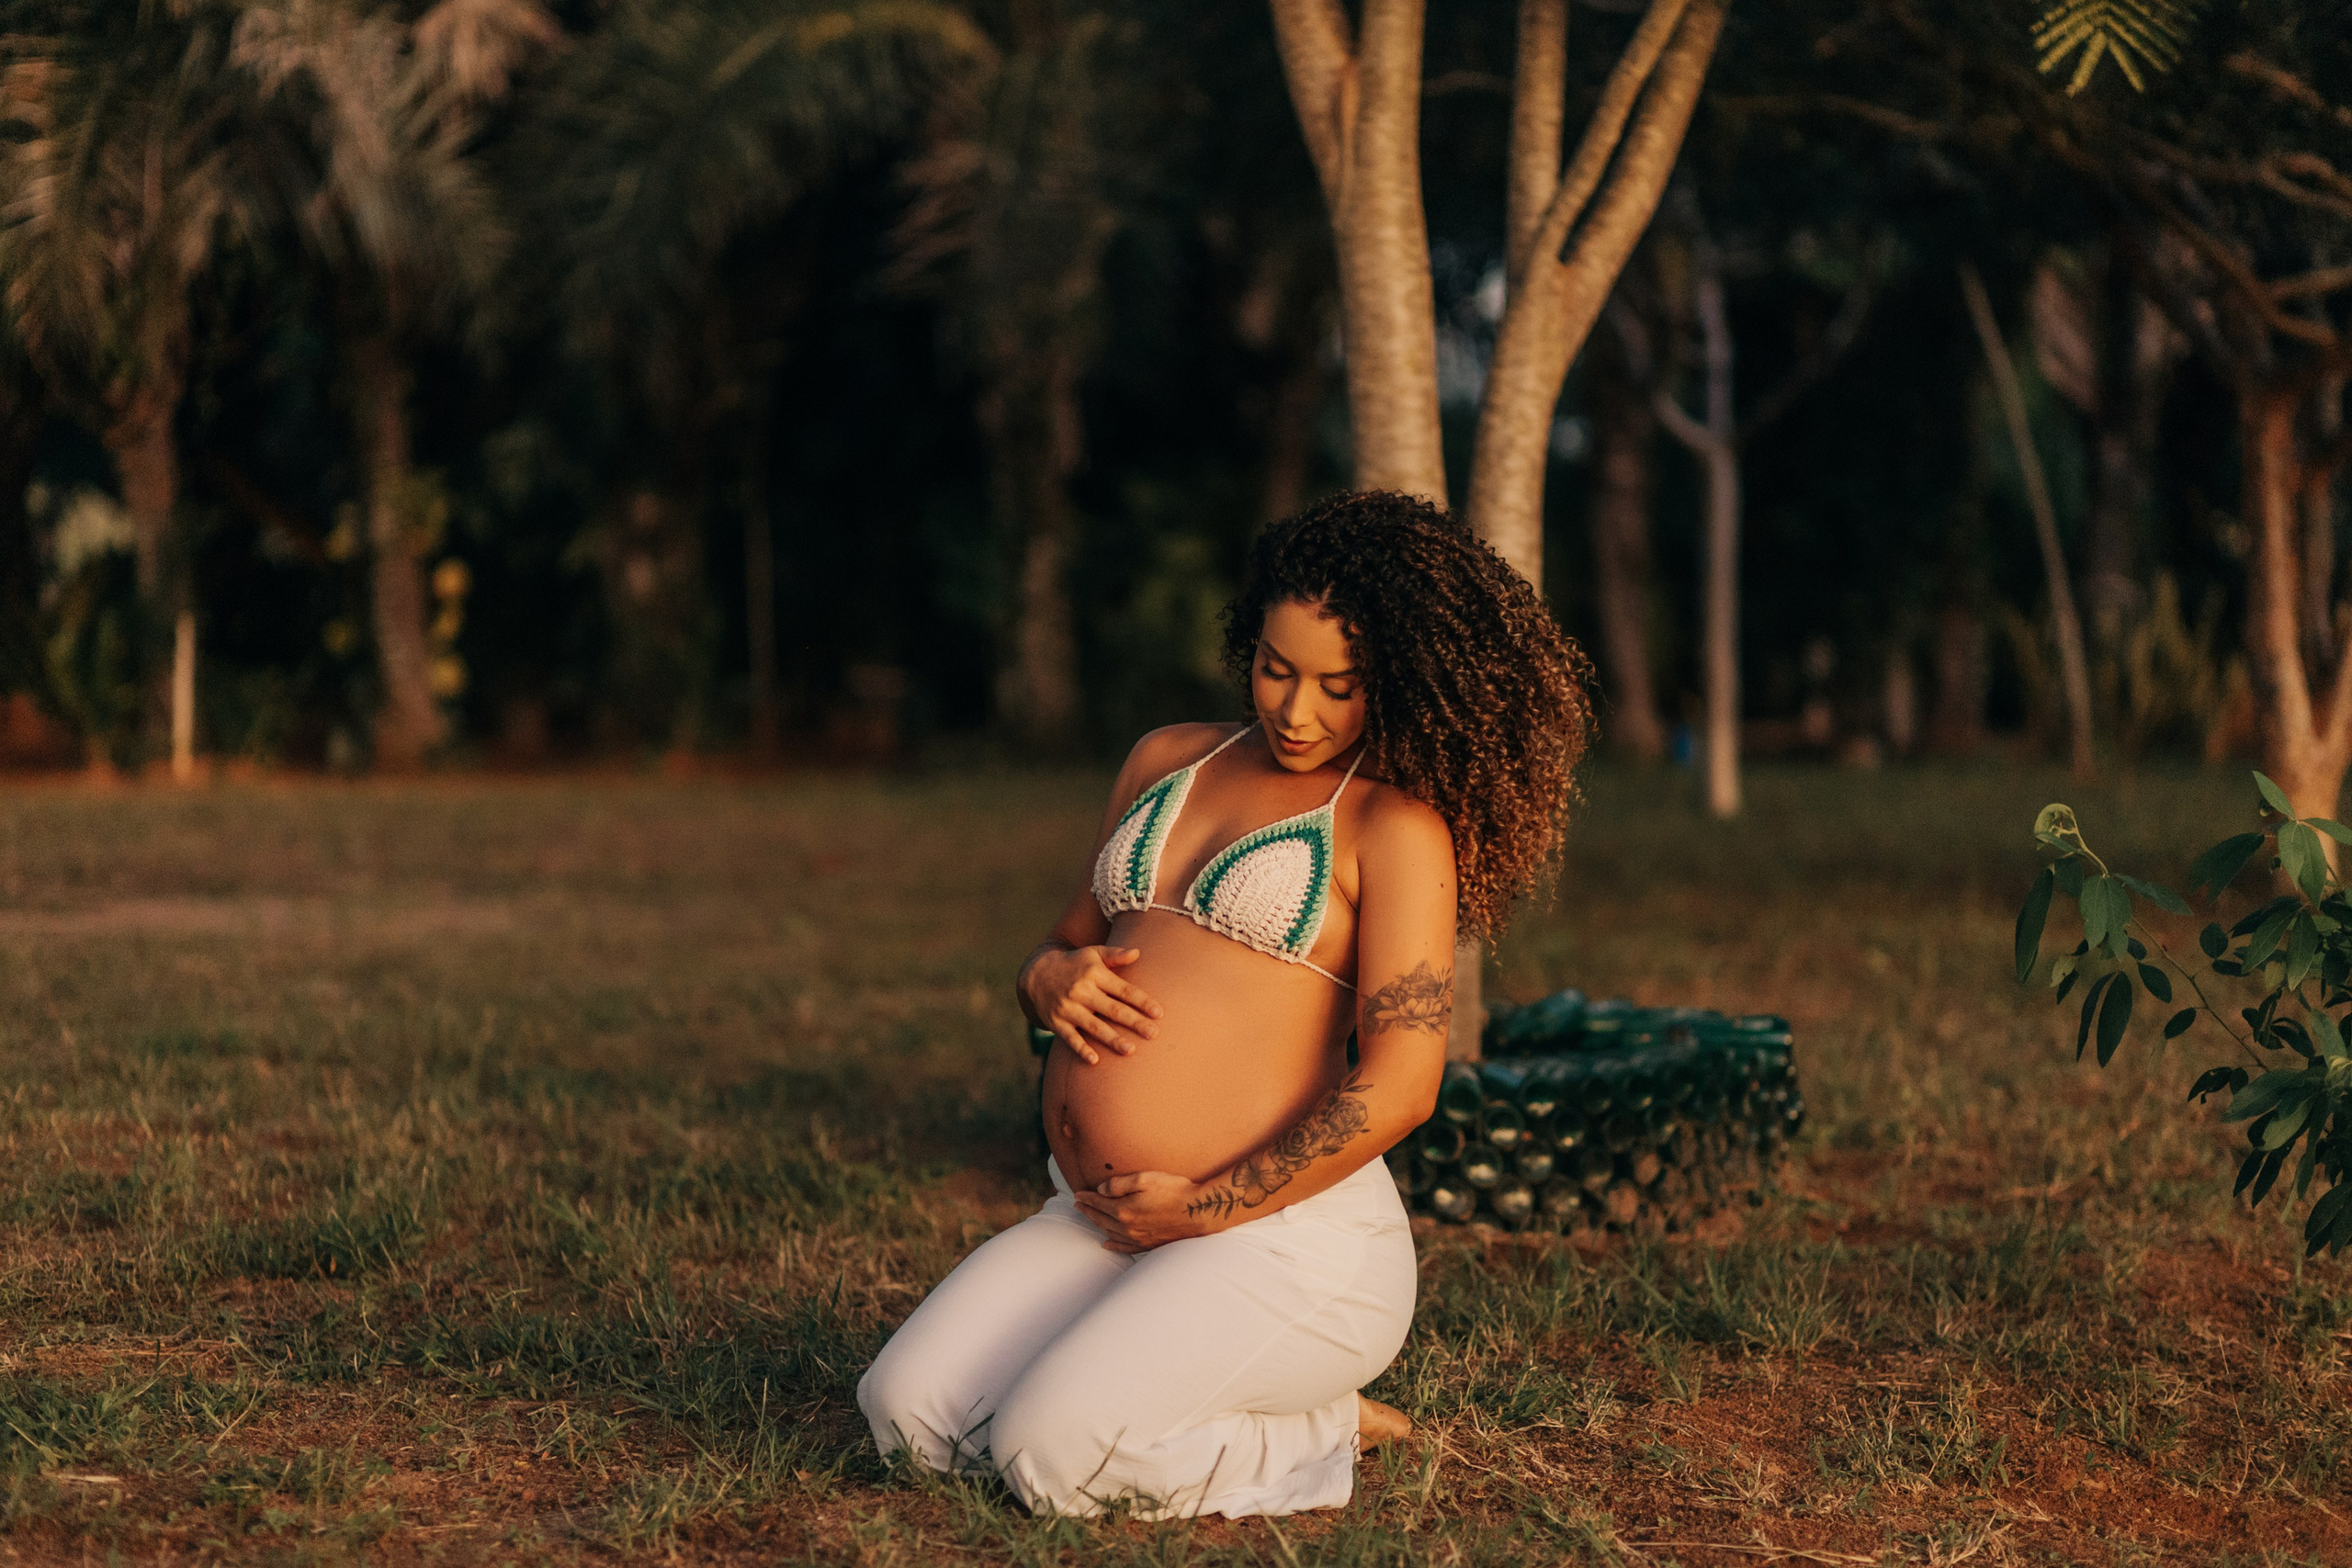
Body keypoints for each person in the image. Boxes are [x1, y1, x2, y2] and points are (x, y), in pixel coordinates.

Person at [857, 490, 1593, 1518]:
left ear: (1399, 684)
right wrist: (1045, 978)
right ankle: (1123, 1372)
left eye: (1342, 686)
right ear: (1247, 643)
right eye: (1276, 669)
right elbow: (1065, 945)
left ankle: (1319, 1422)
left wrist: (1204, 1209)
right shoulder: (1167, 758)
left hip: (1286, 1242)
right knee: (904, 1413)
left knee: (1050, 1454)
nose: (1297, 711)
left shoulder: (1393, 829)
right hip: (1108, 1218)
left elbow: (1402, 1084)